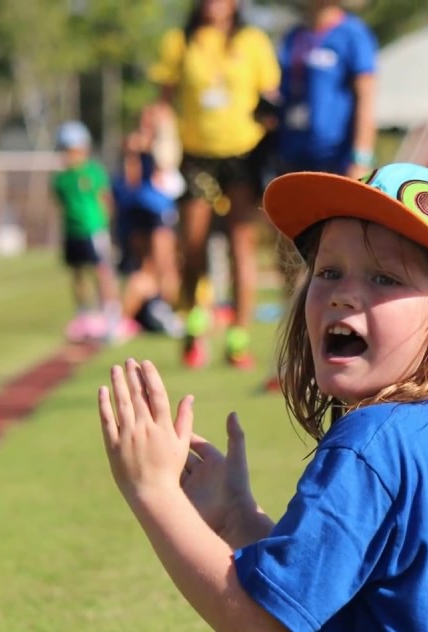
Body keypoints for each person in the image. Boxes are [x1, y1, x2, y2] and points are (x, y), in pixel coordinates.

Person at [27, 162, 428, 632]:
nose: (343, 296)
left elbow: (259, 628)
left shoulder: (373, 443)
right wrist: (240, 519)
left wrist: (153, 492)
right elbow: (333, 586)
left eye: (385, 278)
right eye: (329, 271)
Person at [147, 0, 281, 370]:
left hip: (243, 153)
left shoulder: (253, 41)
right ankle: (194, 324)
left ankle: (238, 338)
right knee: (193, 244)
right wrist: (156, 142)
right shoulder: (180, 41)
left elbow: (270, 98)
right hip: (196, 156)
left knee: (241, 243)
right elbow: (162, 102)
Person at [261, 0, 379, 393]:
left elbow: (366, 96)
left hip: (336, 166)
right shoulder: (293, 37)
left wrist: (360, 158)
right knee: (290, 265)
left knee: (332, 265)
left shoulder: (353, 34)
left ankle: (339, 358)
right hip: (291, 164)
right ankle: (296, 361)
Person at [52, 120, 128, 345]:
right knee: (77, 274)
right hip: (72, 232)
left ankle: (112, 319)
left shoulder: (93, 173)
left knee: (102, 274)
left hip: (94, 231)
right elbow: (62, 205)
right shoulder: (60, 179)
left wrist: (106, 227)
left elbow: (106, 200)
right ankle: (84, 318)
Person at [111, 131, 186, 339]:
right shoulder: (127, 186)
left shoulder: (160, 151)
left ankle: (163, 309)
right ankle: (128, 320)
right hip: (141, 209)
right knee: (146, 269)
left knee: (164, 265)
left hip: (156, 208)